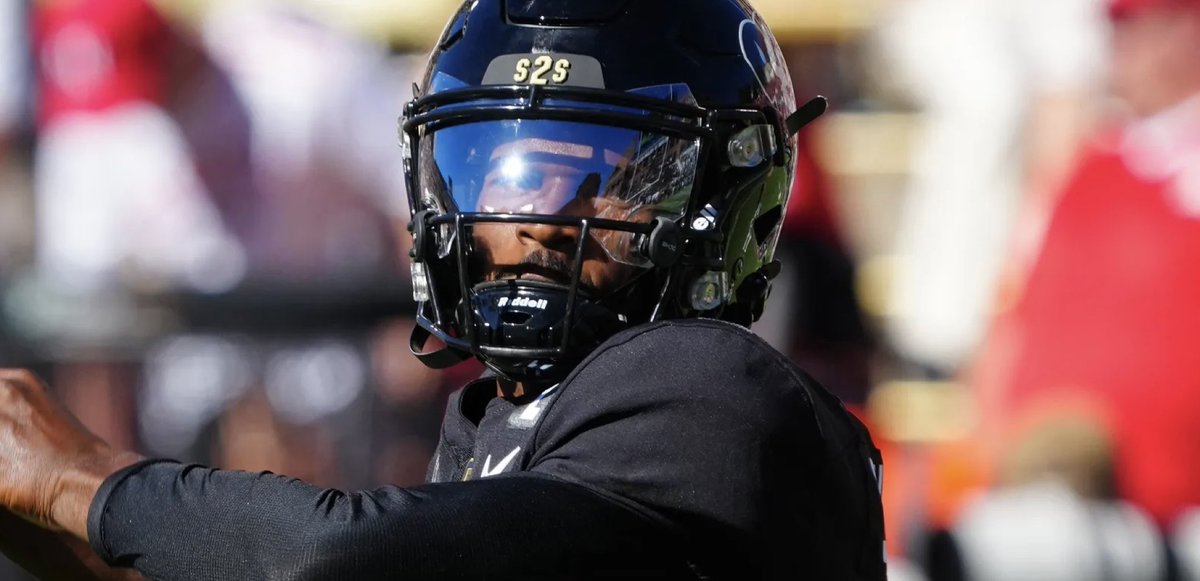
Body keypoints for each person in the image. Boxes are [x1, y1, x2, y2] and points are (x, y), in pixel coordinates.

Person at [0, 0, 886, 579]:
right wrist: (49, 529)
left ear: (726, 196)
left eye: (603, 174)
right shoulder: (499, 418)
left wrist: (79, 476)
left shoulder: (714, 391)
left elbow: (342, 556)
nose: (535, 220)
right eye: (506, 170)